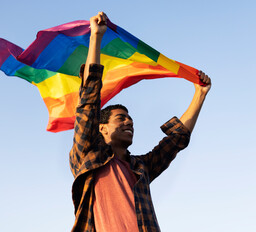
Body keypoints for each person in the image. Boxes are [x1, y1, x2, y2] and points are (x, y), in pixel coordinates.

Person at [69, 12, 211, 232]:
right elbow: (88, 100)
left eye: (131, 119)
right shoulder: (87, 154)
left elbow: (176, 140)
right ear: (102, 128)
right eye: (121, 118)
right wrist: (96, 38)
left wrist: (200, 94)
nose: (129, 122)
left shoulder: (141, 167)